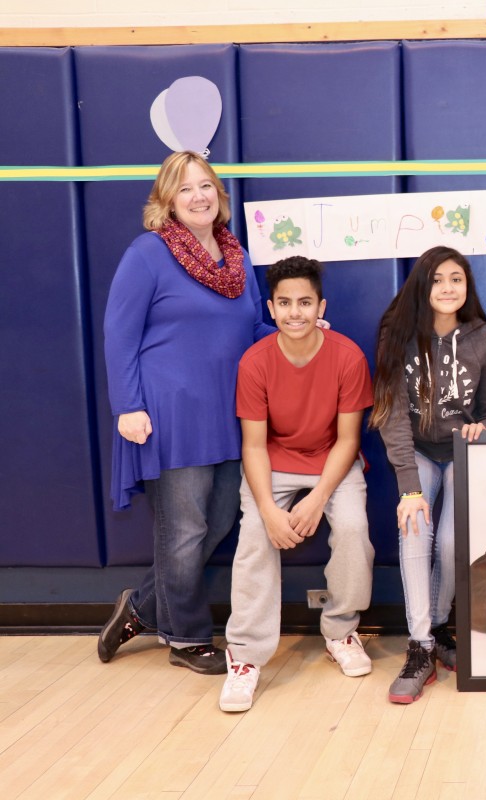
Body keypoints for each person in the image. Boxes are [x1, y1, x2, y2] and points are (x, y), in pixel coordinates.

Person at [99, 150, 273, 674]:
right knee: (183, 531)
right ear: (167, 201)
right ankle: (185, 637)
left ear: (219, 193)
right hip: (169, 414)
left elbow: (252, 331)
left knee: (218, 520)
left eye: (206, 186)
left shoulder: (234, 256)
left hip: (228, 413)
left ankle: (142, 606)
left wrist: (300, 334)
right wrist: (126, 406)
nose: (198, 196)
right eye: (185, 188)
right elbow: (119, 332)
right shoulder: (148, 253)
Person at [219, 257, 374, 711]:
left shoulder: (347, 357)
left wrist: (318, 499)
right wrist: (269, 509)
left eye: (305, 302)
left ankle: (341, 631)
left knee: (350, 529)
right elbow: (254, 446)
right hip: (275, 461)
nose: (295, 312)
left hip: (331, 462)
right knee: (253, 537)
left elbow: (348, 440)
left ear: (320, 305)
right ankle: (245, 658)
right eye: (285, 303)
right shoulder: (255, 362)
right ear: (271, 307)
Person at [374, 246, 486, 703]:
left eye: (456, 279)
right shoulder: (398, 333)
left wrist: (483, 428)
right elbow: (391, 416)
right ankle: (420, 645)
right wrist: (409, 487)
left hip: (462, 453)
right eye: (437, 280)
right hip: (418, 454)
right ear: (422, 286)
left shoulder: (483, 336)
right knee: (414, 531)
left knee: (451, 545)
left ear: (467, 286)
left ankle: (438, 625)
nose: (447, 288)